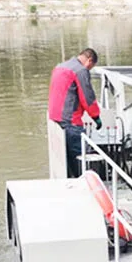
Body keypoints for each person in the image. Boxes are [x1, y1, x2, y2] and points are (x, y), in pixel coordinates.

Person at [48, 48, 103, 178]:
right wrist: (96, 117)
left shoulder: (60, 67)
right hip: (70, 121)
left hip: (55, 119)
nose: (89, 69)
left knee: (65, 158)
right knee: (82, 156)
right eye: (91, 66)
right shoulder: (80, 70)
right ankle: (85, 185)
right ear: (89, 60)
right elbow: (87, 97)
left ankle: (71, 181)